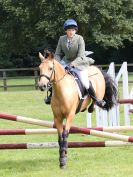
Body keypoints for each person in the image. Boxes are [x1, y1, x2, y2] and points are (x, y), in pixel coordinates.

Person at [45, 19, 105, 110]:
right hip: (65, 62)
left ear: (75, 30)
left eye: (73, 30)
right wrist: (56, 63)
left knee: (85, 82)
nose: (71, 32)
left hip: (79, 63)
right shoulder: (62, 39)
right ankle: (50, 96)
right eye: (69, 30)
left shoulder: (80, 39)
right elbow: (57, 54)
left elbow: (81, 56)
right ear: (66, 31)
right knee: (54, 77)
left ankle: (96, 99)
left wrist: (73, 64)